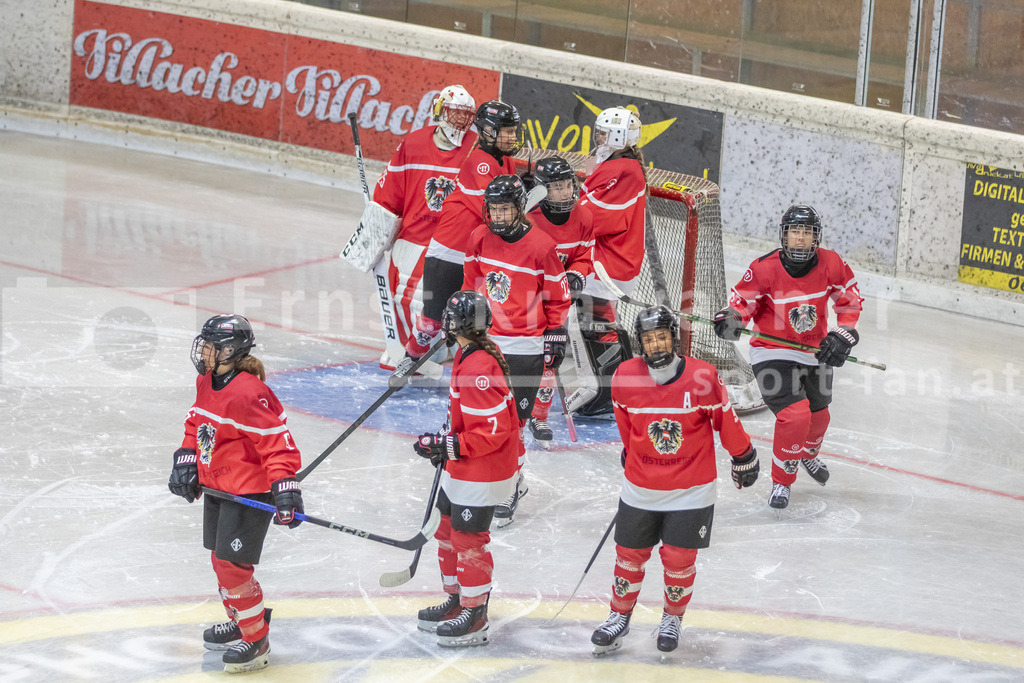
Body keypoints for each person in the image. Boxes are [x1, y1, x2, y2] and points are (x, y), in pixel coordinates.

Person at [591, 305, 759, 655]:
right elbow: (628, 428)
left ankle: (672, 618)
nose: (656, 346)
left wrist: (743, 456)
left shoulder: (703, 377)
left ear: (674, 339)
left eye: (662, 337)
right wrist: (631, 452)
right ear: (641, 343)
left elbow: (725, 422)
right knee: (629, 555)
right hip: (641, 488)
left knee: (679, 559)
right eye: (649, 340)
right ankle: (618, 615)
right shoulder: (624, 376)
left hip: (692, 490)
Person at [167, 314, 304, 673]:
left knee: (233, 566)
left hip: (249, 492)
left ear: (229, 350)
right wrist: (187, 460)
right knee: (220, 559)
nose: (203, 351)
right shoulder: (206, 380)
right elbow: (196, 424)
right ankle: (243, 619)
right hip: (219, 487)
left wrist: (285, 489)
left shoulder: (250, 392)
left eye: (210, 345)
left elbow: (279, 445)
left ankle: (255, 638)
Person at [712, 204, 863, 510]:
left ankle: (807, 454)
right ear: (784, 235)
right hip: (772, 351)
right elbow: (743, 303)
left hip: (813, 350)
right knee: (796, 416)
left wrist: (845, 333)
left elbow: (849, 301)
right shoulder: (764, 267)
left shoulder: (832, 263)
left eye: (807, 233)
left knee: (820, 417)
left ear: (815, 237)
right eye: (795, 231)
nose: (800, 239)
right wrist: (732, 317)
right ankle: (782, 481)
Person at [412, 290, 523, 647]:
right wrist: (444, 438)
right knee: (445, 529)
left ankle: (475, 615)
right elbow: (468, 419)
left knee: (467, 538)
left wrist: (448, 445)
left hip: (485, 468)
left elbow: (492, 431)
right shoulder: (471, 352)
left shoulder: (477, 366)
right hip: (470, 462)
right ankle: (458, 601)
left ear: (454, 324)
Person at [461, 174, 570, 525]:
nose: (499, 217)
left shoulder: (541, 246)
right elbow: (470, 288)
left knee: (515, 424)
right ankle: (491, 479)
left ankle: (511, 483)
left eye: (506, 209)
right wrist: (463, 326)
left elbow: (558, 296)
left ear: (520, 209)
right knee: (488, 418)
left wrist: (555, 332)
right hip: (486, 344)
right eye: (494, 209)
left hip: (525, 346)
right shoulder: (479, 236)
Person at [404, 100, 524, 361]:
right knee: (432, 321)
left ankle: (470, 367)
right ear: (490, 132)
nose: (513, 136)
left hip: (475, 253)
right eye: (508, 131)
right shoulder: (480, 162)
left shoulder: (507, 161)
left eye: (514, 130)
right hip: (449, 249)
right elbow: (493, 210)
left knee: (475, 322)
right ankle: (410, 356)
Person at [372, 84, 477, 359]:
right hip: (413, 237)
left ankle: (439, 345)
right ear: (440, 112)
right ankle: (412, 347)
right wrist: (377, 229)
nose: (459, 122)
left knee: (435, 301)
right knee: (403, 297)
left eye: (465, 115)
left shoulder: (475, 149)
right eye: (454, 114)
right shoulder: (413, 143)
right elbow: (388, 194)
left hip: (453, 242)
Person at [571, 107, 647, 416]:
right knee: (590, 323)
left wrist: (565, 209)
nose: (598, 137)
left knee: (589, 324)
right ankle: (612, 391)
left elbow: (596, 218)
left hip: (607, 263)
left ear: (617, 136)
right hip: (607, 260)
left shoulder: (624, 170)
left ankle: (602, 393)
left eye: (603, 132)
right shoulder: (617, 165)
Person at [524, 156, 594, 445]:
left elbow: (584, 257)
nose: (566, 192)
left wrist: (577, 274)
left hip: (557, 302)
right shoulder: (526, 218)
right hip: (523, 299)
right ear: (541, 190)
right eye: (557, 187)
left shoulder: (585, 217)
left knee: (551, 356)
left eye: (568, 185)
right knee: (515, 353)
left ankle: (539, 416)